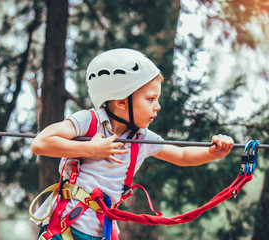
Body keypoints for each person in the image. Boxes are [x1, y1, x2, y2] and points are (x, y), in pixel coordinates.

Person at [30, 48, 234, 239]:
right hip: (65, 227)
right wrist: (90, 148)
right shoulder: (88, 122)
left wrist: (214, 152)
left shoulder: (142, 138)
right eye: (151, 98)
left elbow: (183, 156)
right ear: (120, 101)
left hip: (102, 232)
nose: (158, 106)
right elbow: (41, 143)